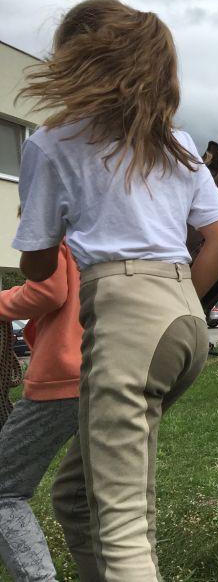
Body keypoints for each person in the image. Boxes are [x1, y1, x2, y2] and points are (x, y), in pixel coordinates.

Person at [12, 0, 218, 581]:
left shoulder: (52, 143)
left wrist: (39, 220)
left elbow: (37, 268)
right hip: (183, 321)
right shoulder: (178, 143)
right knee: (77, 497)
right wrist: (179, 300)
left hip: (125, 322)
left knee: (120, 527)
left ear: (77, 61)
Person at [0, 239, 82, 581]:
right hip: (116, 369)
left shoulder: (56, 229)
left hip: (64, 375)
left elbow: (48, 292)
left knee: (3, 489)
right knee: (92, 496)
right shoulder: (109, 226)